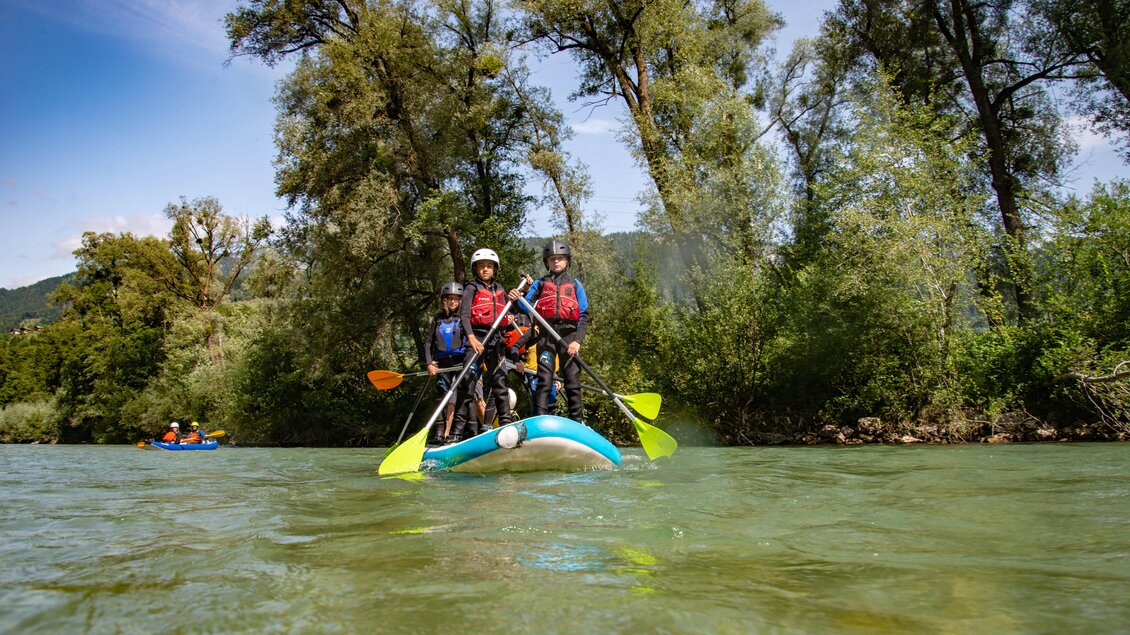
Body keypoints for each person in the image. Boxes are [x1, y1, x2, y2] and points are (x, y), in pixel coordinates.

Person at [510, 239, 590, 423]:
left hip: (568, 336)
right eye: (552, 259)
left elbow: (584, 314)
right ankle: (539, 419)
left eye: (560, 258)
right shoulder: (540, 283)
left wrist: (577, 341)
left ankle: (577, 421)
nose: (556, 262)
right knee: (544, 379)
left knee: (572, 380)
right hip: (546, 335)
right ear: (547, 262)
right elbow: (524, 307)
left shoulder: (575, 284)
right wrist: (516, 299)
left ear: (567, 261)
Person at [458, 247, 516, 439]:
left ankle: (505, 422)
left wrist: (513, 306)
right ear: (475, 269)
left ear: (495, 269)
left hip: (496, 340)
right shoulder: (470, 288)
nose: (485, 269)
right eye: (481, 266)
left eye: (489, 266)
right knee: (468, 384)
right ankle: (459, 432)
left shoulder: (500, 289)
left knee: (500, 382)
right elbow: (464, 315)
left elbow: (508, 314)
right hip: (477, 339)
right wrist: (471, 338)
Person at [425, 282, 469, 444]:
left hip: (460, 362)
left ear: (460, 301)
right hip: (442, 364)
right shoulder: (437, 319)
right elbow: (428, 343)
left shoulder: (464, 318)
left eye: (456, 299)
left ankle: (455, 433)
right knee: (442, 397)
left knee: (461, 397)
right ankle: (438, 433)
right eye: (449, 299)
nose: (452, 302)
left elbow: (471, 339)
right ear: (444, 300)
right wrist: (429, 363)